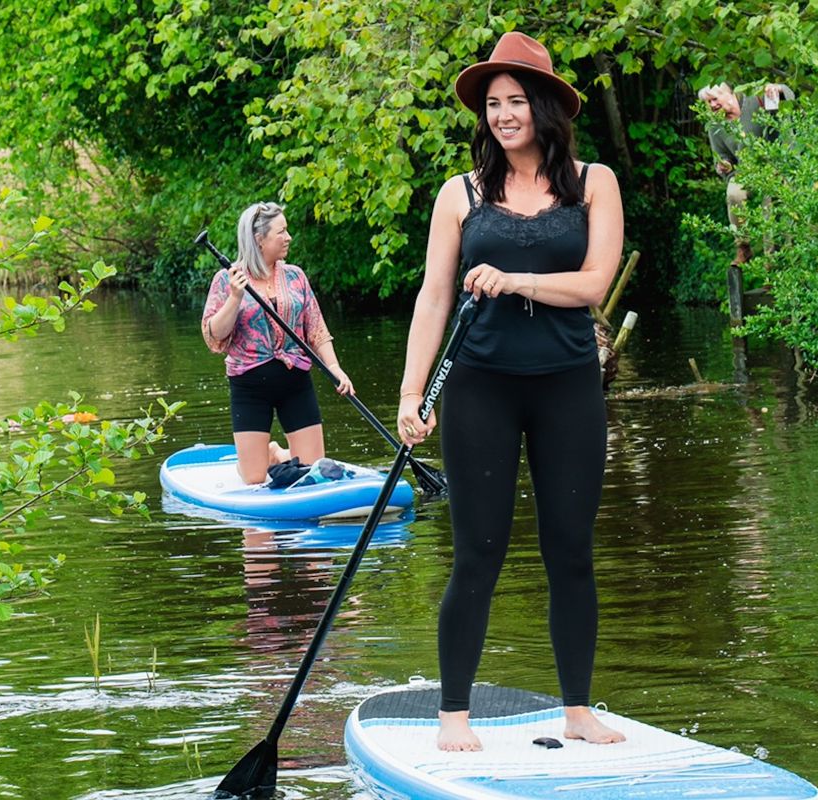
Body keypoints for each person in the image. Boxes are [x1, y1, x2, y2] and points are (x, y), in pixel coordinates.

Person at [394, 31, 626, 752]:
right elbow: (433, 298)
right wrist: (412, 395)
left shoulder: (593, 183)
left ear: (546, 107)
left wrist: (515, 279)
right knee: (478, 552)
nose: (502, 114)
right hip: (480, 390)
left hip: (566, 389)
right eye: (492, 104)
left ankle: (578, 710)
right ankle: (453, 714)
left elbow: (592, 285)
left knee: (571, 552)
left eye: (516, 100)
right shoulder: (458, 195)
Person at [202, 202, 354, 484]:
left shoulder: (295, 276)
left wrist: (335, 368)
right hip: (249, 387)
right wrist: (235, 298)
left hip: (295, 382)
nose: (289, 237)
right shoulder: (227, 280)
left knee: (314, 472)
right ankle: (271, 454)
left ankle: (282, 457)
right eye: (281, 232)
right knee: (254, 479)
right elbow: (214, 337)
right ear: (259, 240)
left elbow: (317, 329)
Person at [698, 81, 794, 266]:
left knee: (771, 206)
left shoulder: (754, 100)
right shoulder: (714, 125)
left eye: (714, 99)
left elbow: (789, 95)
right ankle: (743, 247)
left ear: (728, 93)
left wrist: (777, 89)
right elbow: (722, 157)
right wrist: (724, 165)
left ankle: (773, 264)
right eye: (708, 103)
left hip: (772, 167)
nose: (711, 105)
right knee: (733, 193)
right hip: (745, 171)